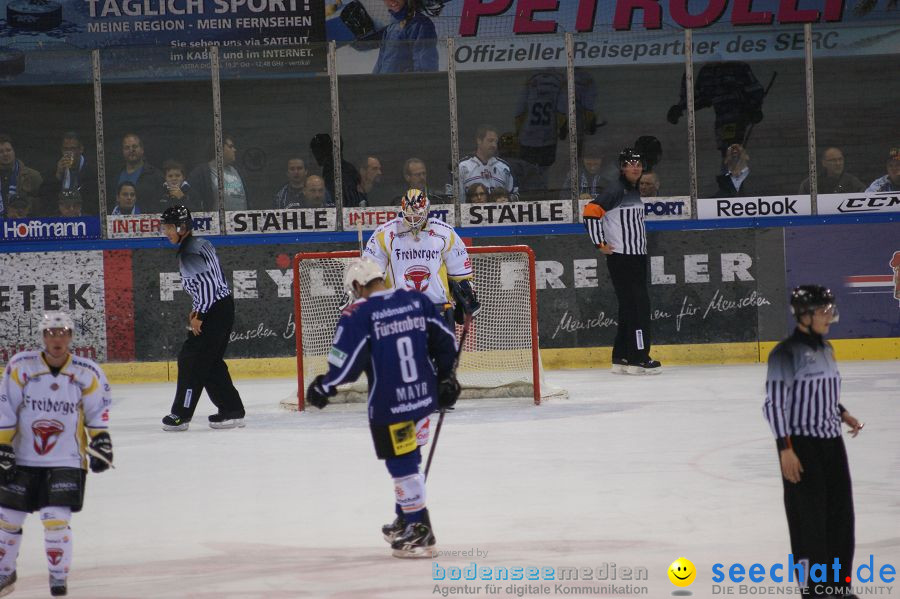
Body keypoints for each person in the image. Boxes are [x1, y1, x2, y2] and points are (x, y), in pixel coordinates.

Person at [305, 258, 459, 558]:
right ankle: (406, 518)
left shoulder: (358, 314)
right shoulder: (417, 300)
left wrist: (324, 386)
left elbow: (346, 364)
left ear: (358, 286)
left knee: (401, 466)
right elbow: (445, 341)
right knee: (410, 460)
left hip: (393, 405)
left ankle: (420, 530)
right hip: (424, 399)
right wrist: (446, 378)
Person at [0, 311, 113, 597]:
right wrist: (3, 446)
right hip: (23, 459)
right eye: (51, 333)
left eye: (62, 332)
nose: (57, 338)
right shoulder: (20, 367)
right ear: (42, 336)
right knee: (7, 519)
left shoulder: (87, 372)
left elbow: (97, 411)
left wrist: (101, 440)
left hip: (67, 460)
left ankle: (58, 578)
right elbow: (6, 408)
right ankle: (4, 573)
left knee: (55, 520)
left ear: (71, 336)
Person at [763, 285, 863, 599]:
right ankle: (815, 589)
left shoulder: (826, 348)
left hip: (832, 443)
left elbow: (821, 391)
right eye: (822, 311)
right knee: (809, 521)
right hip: (801, 446)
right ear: (804, 315)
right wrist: (785, 449)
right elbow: (774, 404)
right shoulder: (785, 353)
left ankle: (837, 585)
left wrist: (842, 412)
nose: (828, 317)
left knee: (840, 516)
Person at [159, 205, 246, 432]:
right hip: (222, 307)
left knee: (191, 360)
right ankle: (232, 410)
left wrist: (200, 313)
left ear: (182, 226)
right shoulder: (201, 243)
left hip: (214, 311)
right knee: (209, 362)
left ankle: (181, 415)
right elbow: (214, 280)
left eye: (169, 227)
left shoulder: (188, 252)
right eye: (165, 227)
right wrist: (198, 307)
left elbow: (207, 285)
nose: (166, 232)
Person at [582, 148, 660, 374]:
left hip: (633, 256)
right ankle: (639, 357)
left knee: (629, 307)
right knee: (639, 307)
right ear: (622, 167)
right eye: (630, 163)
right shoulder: (617, 189)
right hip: (624, 257)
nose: (635, 167)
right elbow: (590, 212)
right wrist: (600, 243)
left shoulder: (632, 190)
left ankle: (621, 356)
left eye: (638, 163)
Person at [364, 188, 480, 326]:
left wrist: (467, 294)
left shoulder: (444, 232)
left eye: (417, 215)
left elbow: (460, 272)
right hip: (399, 311)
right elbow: (370, 271)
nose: (413, 220)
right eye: (409, 215)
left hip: (438, 308)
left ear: (427, 210)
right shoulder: (385, 234)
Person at [668, 60, 766, 155]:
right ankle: (730, 167)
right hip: (724, 120)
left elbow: (756, 91)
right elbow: (700, 98)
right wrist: (680, 107)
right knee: (728, 150)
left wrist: (755, 109)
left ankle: (734, 167)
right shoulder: (707, 71)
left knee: (733, 149)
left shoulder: (738, 67)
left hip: (738, 117)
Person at [515, 70, 566, 188]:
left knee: (526, 172)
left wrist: (518, 133)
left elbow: (519, 112)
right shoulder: (559, 81)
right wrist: (562, 131)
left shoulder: (530, 82)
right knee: (544, 173)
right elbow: (561, 113)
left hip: (528, 138)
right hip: (548, 138)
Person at [40, 132, 98, 217]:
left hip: (84, 215)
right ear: (62, 150)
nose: (69, 153)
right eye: (66, 149)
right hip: (59, 216)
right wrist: (58, 175)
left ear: (81, 149)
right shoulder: (54, 168)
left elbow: (94, 198)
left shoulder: (91, 170)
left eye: (73, 149)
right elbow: (44, 196)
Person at [372, 0, 438, 74]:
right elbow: (380, 63)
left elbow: (424, 67)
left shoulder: (420, 24)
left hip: (404, 84)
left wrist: (418, 84)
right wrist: (372, 83)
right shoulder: (390, 27)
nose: (392, 1)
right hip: (386, 83)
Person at [188, 135, 248, 212]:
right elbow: (189, 195)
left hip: (242, 221)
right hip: (216, 222)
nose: (234, 150)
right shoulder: (202, 172)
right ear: (219, 148)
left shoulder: (238, 171)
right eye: (230, 147)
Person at [458, 125, 515, 201]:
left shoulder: (504, 167)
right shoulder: (462, 166)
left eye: (496, 142)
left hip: (498, 212)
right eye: (490, 141)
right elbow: (456, 200)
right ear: (479, 141)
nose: (494, 145)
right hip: (470, 212)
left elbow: (513, 197)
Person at [309, 133, 364, 207]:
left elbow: (349, 201)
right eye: (314, 152)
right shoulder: (329, 170)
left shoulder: (343, 171)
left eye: (317, 151)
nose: (316, 156)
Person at [112, 133, 164, 209]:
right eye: (127, 147)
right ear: (123, 151)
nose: (131, 150)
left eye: (134, 146)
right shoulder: (115, 176)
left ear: (142, 150)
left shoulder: (155, 175)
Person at [559, 137, 615, 201]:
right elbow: (563, 197)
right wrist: (577, 198)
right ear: (583, 160)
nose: (592, 167)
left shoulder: (612, 174)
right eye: (588, 164)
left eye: (595, 164)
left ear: (602, 161)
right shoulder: (574, 173)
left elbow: (617, 196)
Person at [0, 134, 42, 219]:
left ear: (14, 151)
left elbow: (41, 204)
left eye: (8, 150)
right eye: (0, 152)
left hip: (25, 224)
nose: (5, 154)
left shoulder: (32, 176)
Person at [798, 147, 865, 195]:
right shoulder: (811, 184)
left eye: (840, 159)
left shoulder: (853, 182)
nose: (838, 163)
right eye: (833, 160)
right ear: (824, 163)